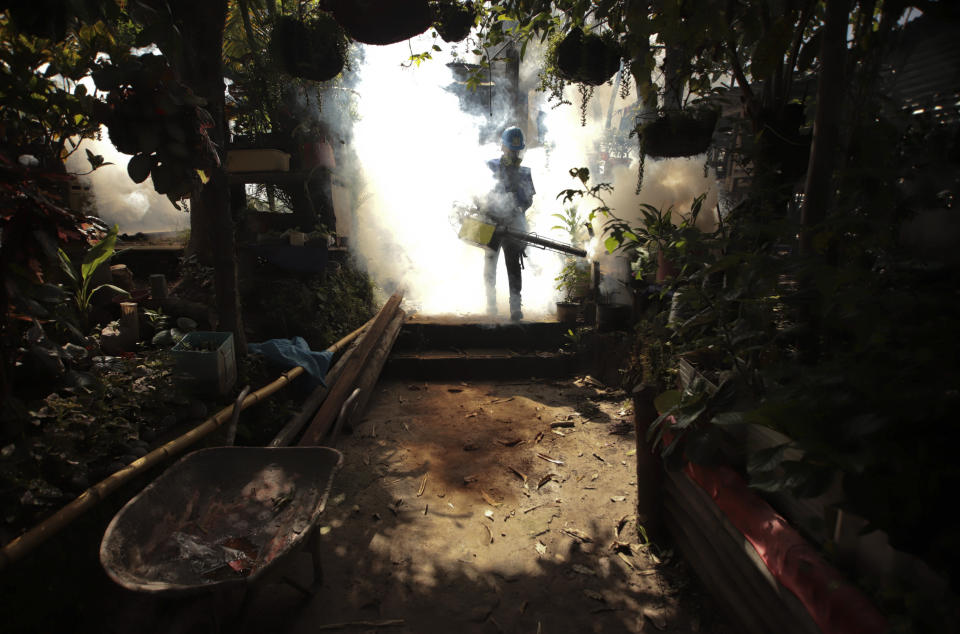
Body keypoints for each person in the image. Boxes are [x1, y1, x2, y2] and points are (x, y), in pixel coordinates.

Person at [483, 126, 536, 321]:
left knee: (513, 265)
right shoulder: (490, 166)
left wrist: (518, 207)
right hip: (492, 224)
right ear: (503, 147)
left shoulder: (524, 172)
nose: (514, 153)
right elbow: (480, 194)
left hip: (514, 225)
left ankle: (515, 307)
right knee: (490, 264)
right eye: (511, 150)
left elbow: (529, 200)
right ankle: (491, 305)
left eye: (517, 150)